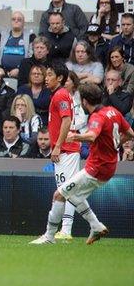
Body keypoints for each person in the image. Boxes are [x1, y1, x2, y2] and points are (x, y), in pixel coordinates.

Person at [31, 83, 134, 245]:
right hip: (108, 167)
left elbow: (92, 136)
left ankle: (49, 237)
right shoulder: (113, 112)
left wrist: (75, 137)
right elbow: (130, 133)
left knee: (59, 195)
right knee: (74, 196)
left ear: (85, 101)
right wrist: (115, 144)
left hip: (96, 168)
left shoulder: (97, 117)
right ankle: (96, 225)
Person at [42, 62, 81, 241]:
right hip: (65, 149)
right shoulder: (59, 95)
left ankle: (65, 230)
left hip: (66, 149)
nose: (45, 78)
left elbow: (66, 120)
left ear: (59, 78)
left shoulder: (60, 95)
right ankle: (91, 225)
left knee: (65, 191)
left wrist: (57, 145)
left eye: (49, 74)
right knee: (66, 190)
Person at [0, 11, 36, 78]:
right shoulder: (1, 35)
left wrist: (20, 69)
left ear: (24, 23)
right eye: (13, 19)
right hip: (1, 70)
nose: (16, 21)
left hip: (23, 71)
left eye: (19, 19)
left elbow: (32, 55)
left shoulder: (31, 36)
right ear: (11, 22)